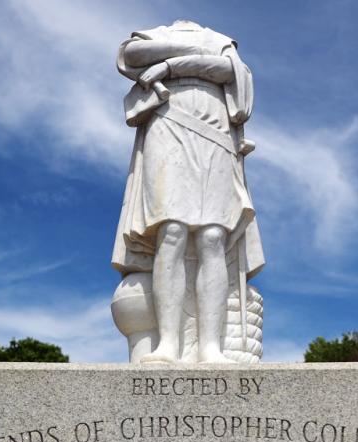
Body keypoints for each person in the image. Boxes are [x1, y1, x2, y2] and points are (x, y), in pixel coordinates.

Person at [111, 20, 264, 363]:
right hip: (167, 121)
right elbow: (132, 55)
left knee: (213, 236)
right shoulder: (158, 32)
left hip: (215, 128)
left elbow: (229, 71)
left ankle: (211, 347)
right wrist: (195, 56)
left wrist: (167, 65)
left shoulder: (221, 39)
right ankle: (168, 344)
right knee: (172, 231)